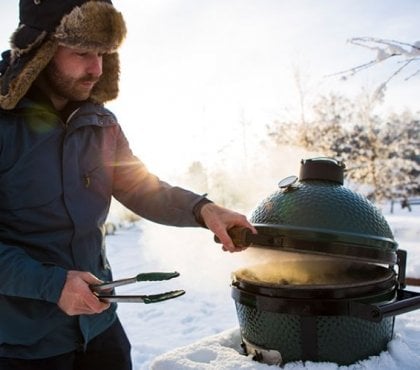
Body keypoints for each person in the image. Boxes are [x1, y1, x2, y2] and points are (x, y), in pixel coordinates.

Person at [0, 1, 256, 369]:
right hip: (22, 343)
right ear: (41, 50)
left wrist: (204, 210)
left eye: (104, 53)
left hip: (100, 325)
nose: (96, 69)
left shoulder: (101, 122)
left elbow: (140, 187)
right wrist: (51, 284)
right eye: (83, 52)